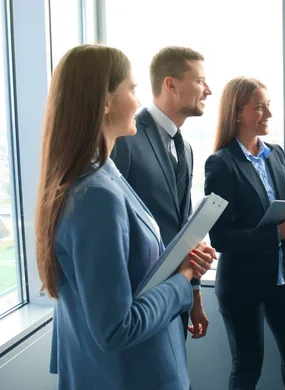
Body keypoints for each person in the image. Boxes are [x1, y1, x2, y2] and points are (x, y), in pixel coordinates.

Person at [35, 44, 213, 390]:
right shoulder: (95, 194)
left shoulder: (102, 174)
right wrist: (183, 279)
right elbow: (116, 327)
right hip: (128, 373)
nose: (138, 101)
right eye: (131, 90)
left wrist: (183, 265)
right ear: (104, 102)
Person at [204, 76, 285, 390]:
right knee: (248, 368)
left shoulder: (276, 155)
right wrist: (279, 233)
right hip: (242, 286)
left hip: (282, 280)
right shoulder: (221, 164)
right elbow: (220, 237)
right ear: (237, 113)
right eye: (259, 108)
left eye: (268, 106)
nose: (268, 114)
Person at [112, 46, 215, 339]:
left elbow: (183, 227)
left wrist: (193, 295)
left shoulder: (187, 149)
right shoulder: (125, 138)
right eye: (200, 81)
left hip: (176, 298)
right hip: (136, 305)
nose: (208, 90)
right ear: (171, 84)